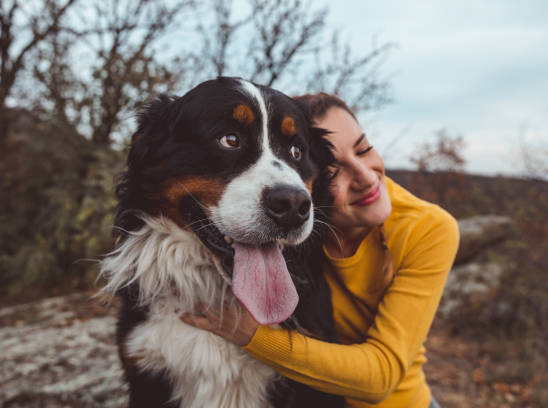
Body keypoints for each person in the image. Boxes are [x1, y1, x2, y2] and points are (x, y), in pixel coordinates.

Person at [181, 93, 459, 408]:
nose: (366, 178)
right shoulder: (282, 227)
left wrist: (249, 335)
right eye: (334, 170)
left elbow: (379, 377)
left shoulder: (429, 227)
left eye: (364, 149)